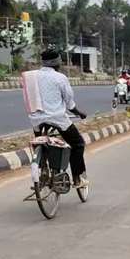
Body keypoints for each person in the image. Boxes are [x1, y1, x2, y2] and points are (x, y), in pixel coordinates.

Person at [22, 49, 89, 187]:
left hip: (36, 120)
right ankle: (77, 179)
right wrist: (79, 113)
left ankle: (43, 169)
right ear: (56, 62)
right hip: (57, 119)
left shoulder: (32, 77)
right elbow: (69, 102)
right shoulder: (60, 78)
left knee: (40, 143)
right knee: (78, 144)